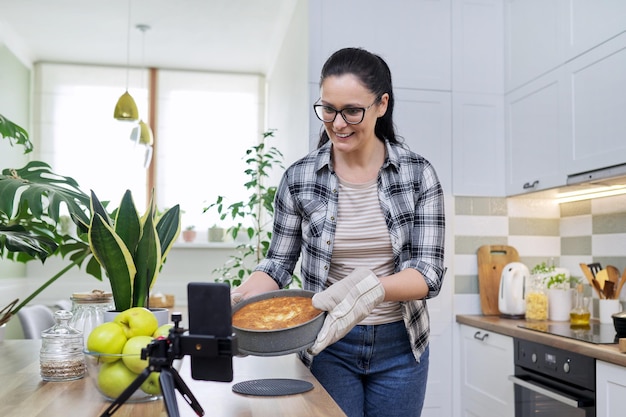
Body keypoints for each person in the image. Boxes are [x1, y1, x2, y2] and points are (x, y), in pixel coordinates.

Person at [231, 47, 446, 417]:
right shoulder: (299, 178)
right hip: (327, 344)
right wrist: (241, 299)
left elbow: (429, 273)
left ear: (381, 105)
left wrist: (371, 287)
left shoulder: (418, 174)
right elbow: (278, 264)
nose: (338, 123)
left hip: (401, 347)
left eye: (352, 110)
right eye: (328, 109)